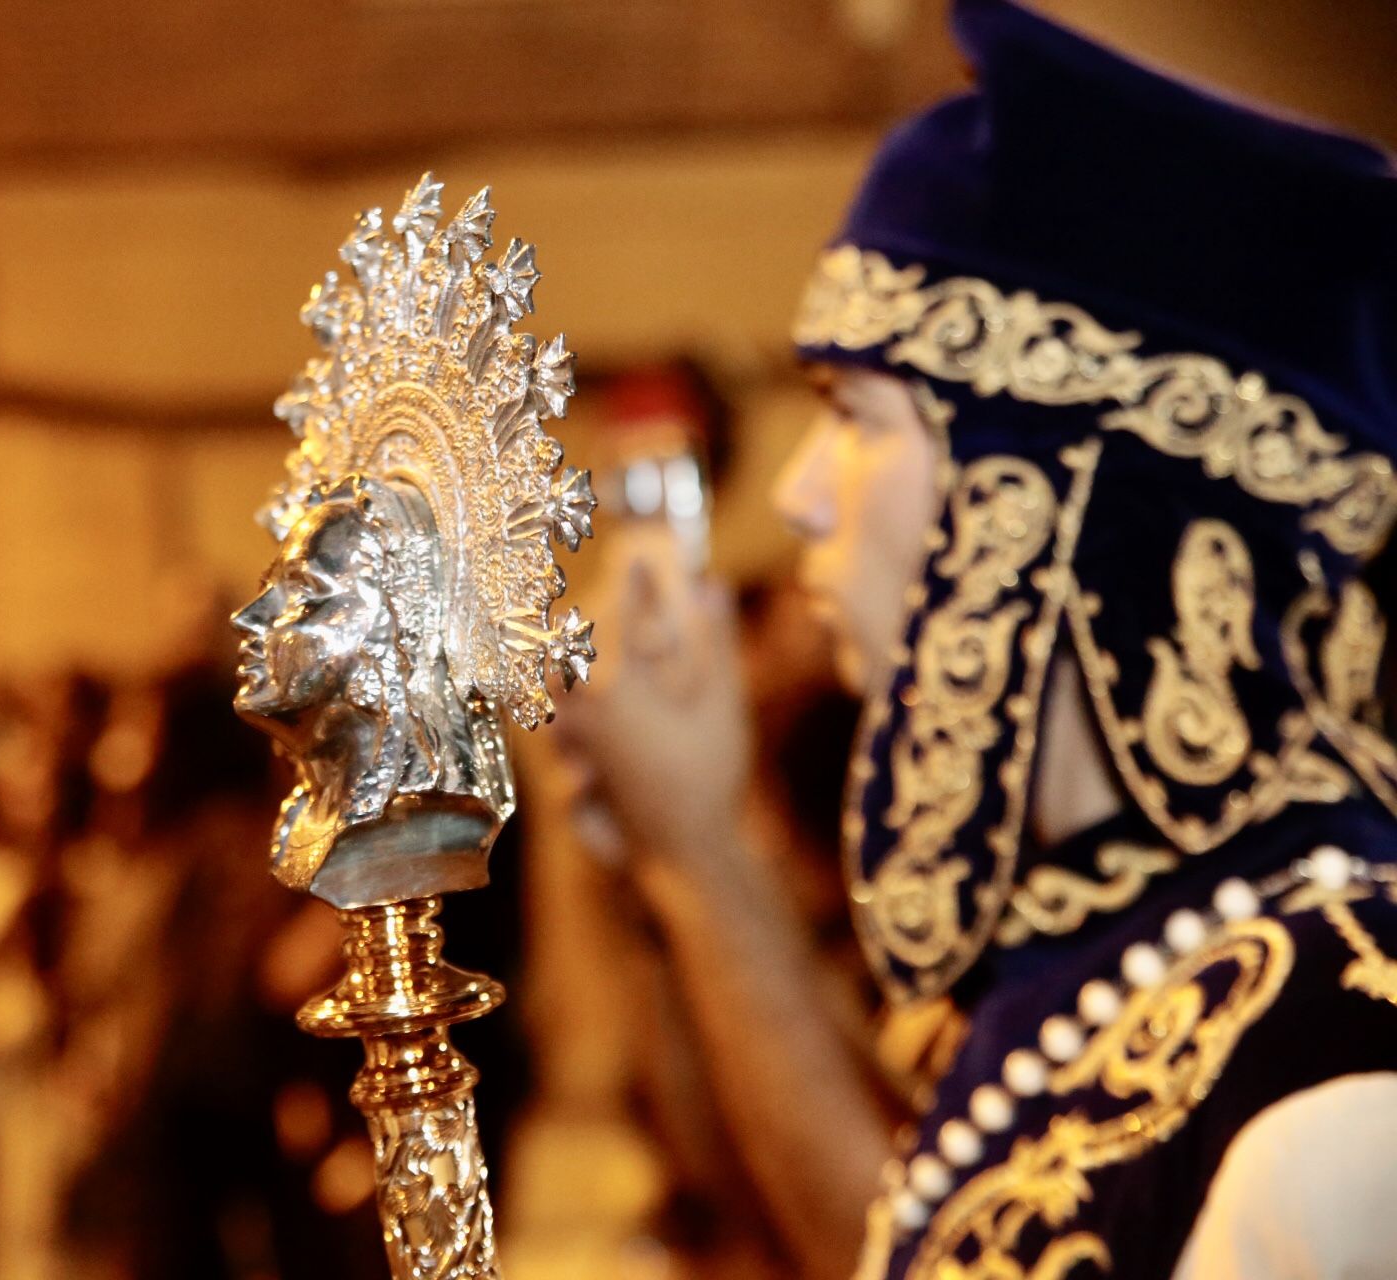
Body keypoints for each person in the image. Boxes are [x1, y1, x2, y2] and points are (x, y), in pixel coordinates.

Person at [568, 2, 1397, 1277]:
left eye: (859, 414)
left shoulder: (1337, 1074)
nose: (801, 491)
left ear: (1046, 492)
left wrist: (701, 845)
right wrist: (686, 854)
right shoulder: (1085, 946)